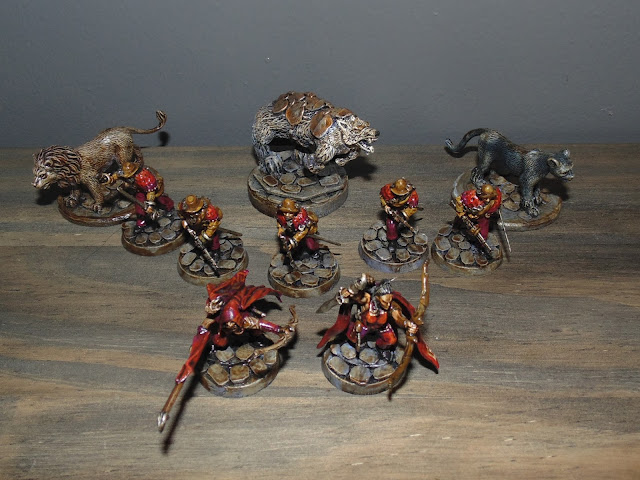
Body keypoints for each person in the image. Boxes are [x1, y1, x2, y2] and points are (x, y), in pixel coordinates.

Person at [317, 273, 438, 369]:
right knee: (353, 338)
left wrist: (407, 323)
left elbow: (398, 317)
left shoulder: (391, 306)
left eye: (389, 301)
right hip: (364, 325)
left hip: (381, 327)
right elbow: (357, 296)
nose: (388, 304)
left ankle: (381, 350)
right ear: (378, 297)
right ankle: (351, 348)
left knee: (391, 340)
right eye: (385, 302)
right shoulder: (368, 300)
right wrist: (350, 293)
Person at [106, 161, 174, 230]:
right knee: (139, 204)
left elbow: (151, 193)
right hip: (140, 189)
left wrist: (149, 206)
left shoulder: (144, 177)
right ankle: (142, 219)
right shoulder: (125, 171)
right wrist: (110, 179)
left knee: (161, 199)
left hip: (153, 189)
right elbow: (118, 175)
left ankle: (170, 207)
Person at [380, 178, 419, 245]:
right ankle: (392, 240)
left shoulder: (412, 194)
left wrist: (404, 214)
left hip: (404, 209)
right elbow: (382, 196)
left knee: (402, 223)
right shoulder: (387, 190)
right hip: (392, 208)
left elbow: (413, 208)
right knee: (391, 224)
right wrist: (385, 205)